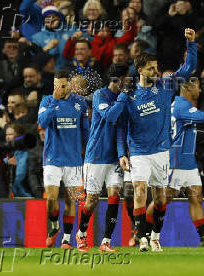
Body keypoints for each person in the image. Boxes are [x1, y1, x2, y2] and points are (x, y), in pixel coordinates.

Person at [117, 28, 197, 252]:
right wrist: (122, 153)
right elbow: (121, 125)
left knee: (160, 200)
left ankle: (155, 236)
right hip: (139, 151)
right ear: (140, 70)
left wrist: (191, 44)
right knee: (140, 191)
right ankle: (141, 237)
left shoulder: (165, 87)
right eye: (151, 68)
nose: (156, 70)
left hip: (161, 152)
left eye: (156, 67)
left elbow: (188, 68)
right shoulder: (130, 95)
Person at [145, 80, 204, 247]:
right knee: (162, 201)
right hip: (176, 162)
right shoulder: (182, 105)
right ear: (189, 88)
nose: (200, 89)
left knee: (196, 198)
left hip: (188, 162)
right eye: (197, 86)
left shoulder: (180, 105)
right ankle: (143, 233)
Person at [76, 64, 130, 252]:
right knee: (92, 200)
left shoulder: (124, 99)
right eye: (127, 78)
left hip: (114, 158)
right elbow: (110, 115)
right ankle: (81, 234)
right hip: (96, 156)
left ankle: (106, 241)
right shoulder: (100, 95)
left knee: (115, 196)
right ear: (120, 79)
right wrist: (123, 97)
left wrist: (122, 153)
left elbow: (121, 128)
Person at [38, 70, 90, 249]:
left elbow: (86, 132)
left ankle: (66, 239)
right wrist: (54, 101)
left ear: (69, 85)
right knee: (51, 199)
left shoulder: (80, 103)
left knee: (70, 200)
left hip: (74, 160)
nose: (58, 88)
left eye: (61, 85)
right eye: (55, 85)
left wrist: (88, 152)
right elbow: (43, 122)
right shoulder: (47, 101)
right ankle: (54, 225)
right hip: (52, 159)